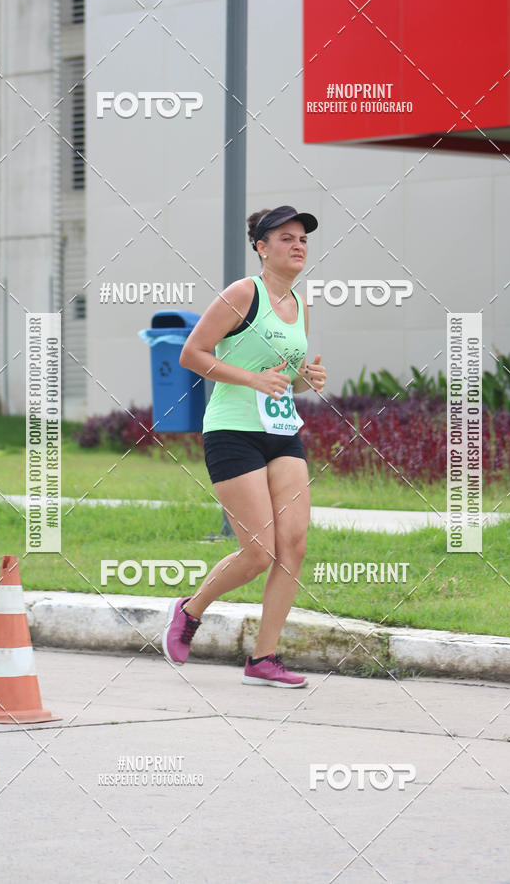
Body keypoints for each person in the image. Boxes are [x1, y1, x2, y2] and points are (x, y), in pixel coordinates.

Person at [162, 206, 326, 687]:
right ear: (262, 247)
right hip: (233, 430)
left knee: (293, 545)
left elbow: (283, 379)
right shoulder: (242, 293)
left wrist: (306, 379)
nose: (298, 245)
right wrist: (251, 379)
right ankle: (190, 610)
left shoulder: (300, 306)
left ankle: (263, 659)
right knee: (257, 553)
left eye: (303, 239)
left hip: (281, 431)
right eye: (286, 238)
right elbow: (192, 354)